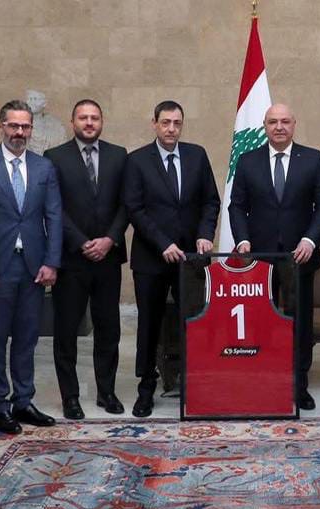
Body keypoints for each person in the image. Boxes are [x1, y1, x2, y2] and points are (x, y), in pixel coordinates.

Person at [229, 103, 320, 411]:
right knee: (262, 322)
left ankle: (299, 384)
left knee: (300, 323)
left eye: (285, 121)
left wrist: (310, 240)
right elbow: (237, 206)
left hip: (300, 256)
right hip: (259, 258)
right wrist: (243, 239)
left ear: (294, 124)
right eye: (273, 122)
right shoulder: (248, 161)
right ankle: (265, 380)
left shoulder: (313, 159)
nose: (279, 127)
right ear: (264, 126)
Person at [122, 100, 221, 417]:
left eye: (177, 123)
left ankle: (198, 384)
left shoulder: (197, 155)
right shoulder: (137, 160)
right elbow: (134, 208)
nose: (171, 129)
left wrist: (205, 233)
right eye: (165, 122)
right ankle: (146, 387)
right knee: (149, 325)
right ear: (154, 123)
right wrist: (163, 243)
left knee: (195, 322)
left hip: (191, 258)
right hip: (151, 258)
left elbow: (211, 201)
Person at [0, 100, 62, 433]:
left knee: (27, 338)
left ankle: (23, 400)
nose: (20, 132)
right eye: (14, 126)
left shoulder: (44, 167)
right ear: (1, 127)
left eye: (25, 126)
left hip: (34, 267)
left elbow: (54, 216)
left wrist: (52, 261)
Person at [44, 99, 129, 419]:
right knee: (66, 331)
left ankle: (106, 392)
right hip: (72, 259)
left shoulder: (119, 155)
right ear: (73, 122)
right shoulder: (55, 157)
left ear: (102, 121)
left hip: (108, 257)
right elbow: (54, 207)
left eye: (94, 117)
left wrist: (109, 239)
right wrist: (81, 242)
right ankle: (70, 397)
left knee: (109, 329)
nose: (89, 123)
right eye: (83, 117)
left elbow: (127, 204)